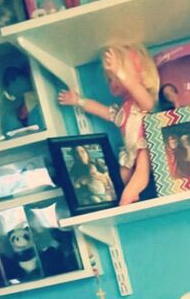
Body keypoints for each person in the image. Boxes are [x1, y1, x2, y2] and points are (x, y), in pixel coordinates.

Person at [58, 44, 159, 205]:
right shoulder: (123, 110)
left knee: (141, 170)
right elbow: (101, 110)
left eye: (117, 76)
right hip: (129, 149)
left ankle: (129, 194)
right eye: (110, 79)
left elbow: (138, 92)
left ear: (141, 74)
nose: (114, 82)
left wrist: (120, 73)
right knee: (121, 177)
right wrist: (78, 101)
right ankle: (123, 195)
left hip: (144, 144)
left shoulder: (143, 103)